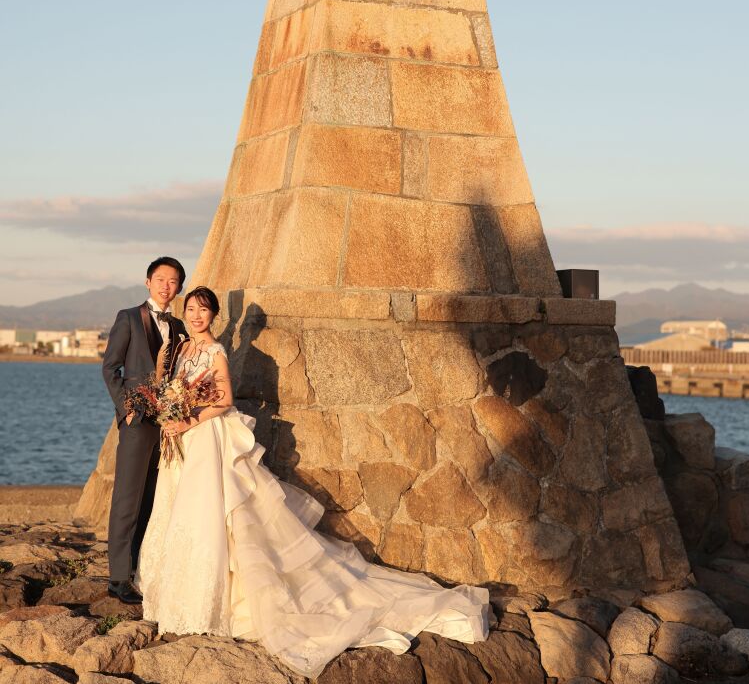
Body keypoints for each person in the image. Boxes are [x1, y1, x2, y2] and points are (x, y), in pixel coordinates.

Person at [136, 286, 489, 679]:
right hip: (183, 443)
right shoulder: (182, 349)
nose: (196, 315)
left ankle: (212, 602)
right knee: (180, 513)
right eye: (191, 308)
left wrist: (188, 421)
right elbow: (169, 391)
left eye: (204, 310)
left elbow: (224, 401)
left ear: (214, 315)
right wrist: (168, 408)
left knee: (211, 515)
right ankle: (177, 596)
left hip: (206, 440)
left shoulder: (216, 351)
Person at [102, 256, 188, 604]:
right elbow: (110, 368)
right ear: (148, 282)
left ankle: (138, 568)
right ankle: (118, 578)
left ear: (179, 287)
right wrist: (127, 411)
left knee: (151, 498)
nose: (167, 286)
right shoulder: (128, 318)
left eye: (173, 281)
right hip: (137, 421)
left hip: (168, 424)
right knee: (127, 497)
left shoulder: (179, 326)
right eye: (161, 279)